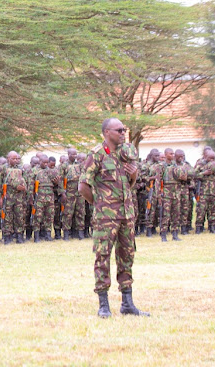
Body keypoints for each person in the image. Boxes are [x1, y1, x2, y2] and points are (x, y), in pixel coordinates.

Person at [79, 118, 149, 318]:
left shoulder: (125, 154)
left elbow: (129, 184)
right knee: (103, 257)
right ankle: (103, 305)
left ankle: (127, 304)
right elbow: (83, 186)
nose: (123, 133)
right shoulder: (97, 155)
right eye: (119, 130)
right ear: (107, 132)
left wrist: (134, 174)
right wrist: (100, 205)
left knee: (127, 256)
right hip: (106, 218)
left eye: (124, 129)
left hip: (126, 215)